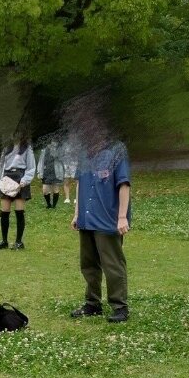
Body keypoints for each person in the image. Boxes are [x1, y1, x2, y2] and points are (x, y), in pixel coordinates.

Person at [70, 133, 132, 323]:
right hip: (87, 219)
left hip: (107, 219)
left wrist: (122, 217)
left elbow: (124, 185)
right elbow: (80, 184)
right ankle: (92, 303)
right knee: (88, 264)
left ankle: (120, 306)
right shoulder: (84, 153)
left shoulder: (116, 150)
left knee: (112, 264)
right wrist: (76, 214)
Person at [0, 135, 36, 250]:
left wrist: (24, 181)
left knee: (19, 212)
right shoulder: (6, 148)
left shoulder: (27, 148)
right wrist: (0, 183)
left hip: (20, 177)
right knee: (4, 212)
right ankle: (4, 241)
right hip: (7, 177)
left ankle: (18, 242)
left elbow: (31, 167)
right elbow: (2, 167)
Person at [37, 139, 65, 209]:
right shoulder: (44, 150)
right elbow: (41, 161)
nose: (52, 143)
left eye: (54, 142)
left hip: (56, 172)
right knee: (45, 191)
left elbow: (60, 158)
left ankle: (54, 206)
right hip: (46, 172)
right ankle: (49, 204)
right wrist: (39, 172)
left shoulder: (58, 150)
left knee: (55, 189)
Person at [61, 138, 79, 204]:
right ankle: (67, 198)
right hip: (66, 165)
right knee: (66, 182)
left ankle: (76, 198)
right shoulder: (65, 144)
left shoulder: (78, 144)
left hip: (74, 165)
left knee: (77, 182)